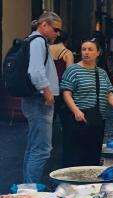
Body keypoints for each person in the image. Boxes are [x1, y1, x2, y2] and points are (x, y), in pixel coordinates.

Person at [60, 39, 113, 167]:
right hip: (78, 119)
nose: (86, 52)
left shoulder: (101, 73)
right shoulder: (73, 70)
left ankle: (90, 184)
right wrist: (76, 111)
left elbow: (108, 94)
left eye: (90, 49)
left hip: (98, 119)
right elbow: (66, 94)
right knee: (75, 157)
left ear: (98, 53)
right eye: (84, 49)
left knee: (93, 155)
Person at [21, 12, 62, 183]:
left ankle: (28, 188)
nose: (58, 34)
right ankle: (31, 190)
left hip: (34, 100)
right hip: (40, 101)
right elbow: (36, 71)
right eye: (56, 29)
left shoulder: (33, 40)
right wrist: (47, 92)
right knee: (42, 149)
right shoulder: (38, 41)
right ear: (44, 25)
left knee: (33, 147)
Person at [49, 30, 74, 119]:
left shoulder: (47, 49)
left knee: (49, 114)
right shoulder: (67, 53)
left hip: (48, 84)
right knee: (63, 112)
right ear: (66, 40)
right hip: (60, 85)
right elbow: (69, 73)